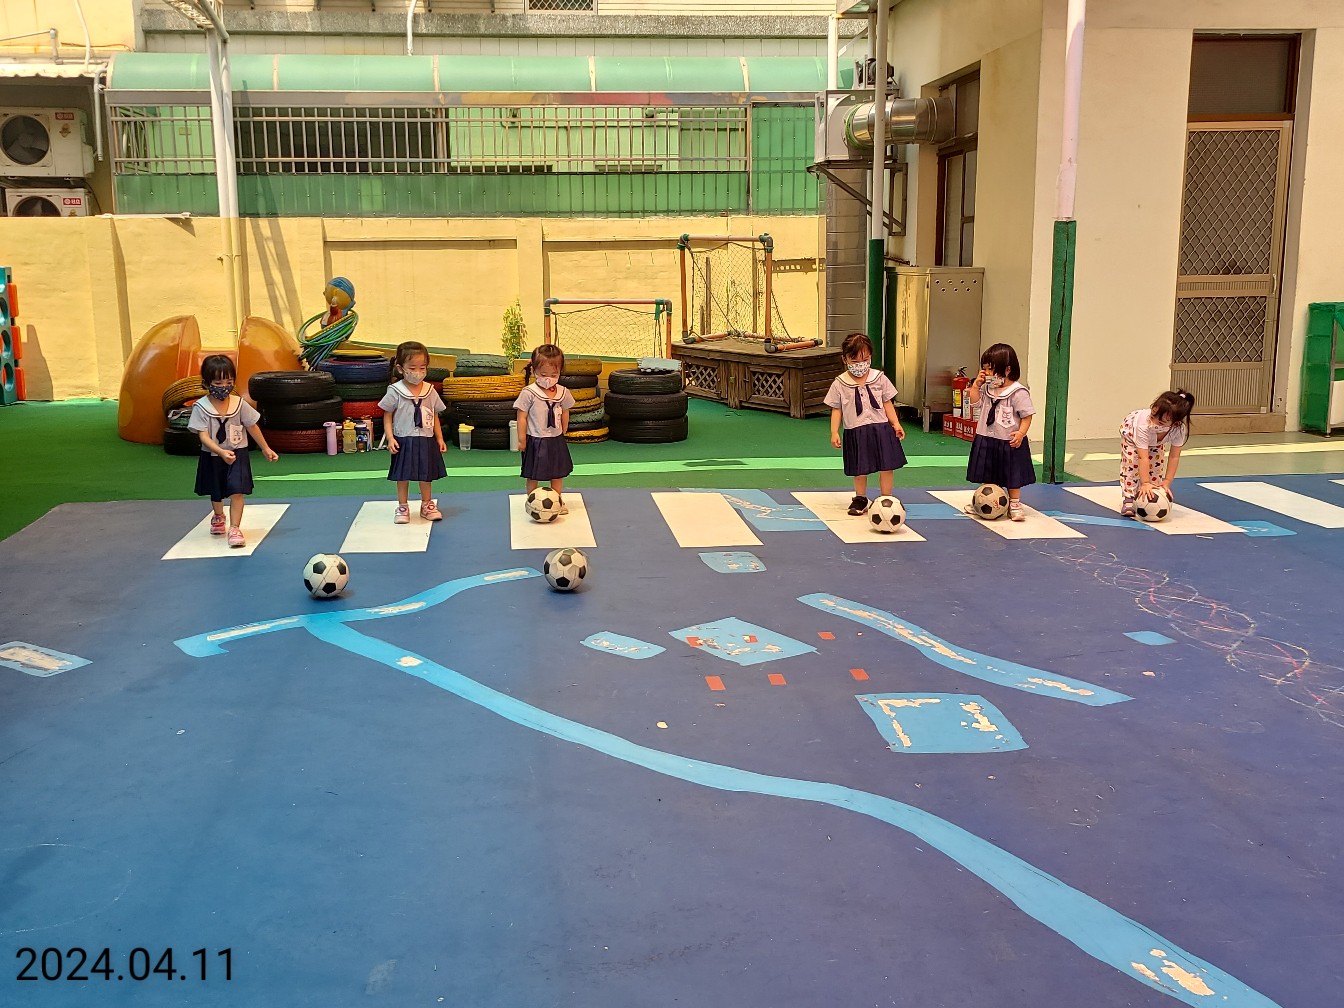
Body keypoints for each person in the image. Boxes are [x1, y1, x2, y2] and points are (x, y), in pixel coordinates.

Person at [188, 354, 278, 548]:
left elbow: (252, 426)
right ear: (207, 383)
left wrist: (265, 448)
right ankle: (218, 515)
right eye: (218, 383)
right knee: (216, 490)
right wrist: (220, 452)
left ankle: (235, 527)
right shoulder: (201, 407)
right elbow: (203, 436)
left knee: (237, 490)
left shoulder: (239, 404)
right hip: (213, 455)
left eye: (229, 382)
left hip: (238, 454)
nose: (224, 387)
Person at [825, 332, 907, 515]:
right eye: (854, 361)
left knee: (886, 465)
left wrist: (895, 423)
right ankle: (860, 498)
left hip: (881, 427)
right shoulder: (839, 383)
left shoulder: (879, 377)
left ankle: (886, 497)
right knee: (859, 467)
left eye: (865, 359)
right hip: (856, 431)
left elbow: (887, 402)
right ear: (845, 359)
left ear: (870, 357)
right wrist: (834, 432)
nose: (860, 365)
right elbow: (836, 409)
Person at [964, 342, 1035, 522]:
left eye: (990, 369)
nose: (986, 373)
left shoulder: (1018, 392)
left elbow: (1027, 416)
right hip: (987, 437)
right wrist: (976, 386)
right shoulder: (987, 389)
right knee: (988, 470)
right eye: (985, 369)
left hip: (1008, 440)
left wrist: (1021, 433)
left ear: (1007, 370)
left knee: (1012, 473)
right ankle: (986, 501)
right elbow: (975, 404)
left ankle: (1014, 503)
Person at [379, 341, 447, 524]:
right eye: (412, 368)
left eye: (422, 367)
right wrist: (390, 438)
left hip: (426, 439)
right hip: (403, 439)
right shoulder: (395, 391)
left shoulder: (430, 390)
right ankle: (403, 506)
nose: (418, 372)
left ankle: (427, 504)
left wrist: (439, 438)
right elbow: (387, 415)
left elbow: (434, 414)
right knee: (402, 475)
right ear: (401, 369)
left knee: (426, 474)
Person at [514, 343, 575, 515]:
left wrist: (564, 428)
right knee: (533, 473)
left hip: (555, 438)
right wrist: (522, 439)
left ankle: (557, 500)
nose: (548, 378)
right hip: (535, 439)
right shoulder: (529, 392)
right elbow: (522, 416)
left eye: (554, 375)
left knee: (557, 472)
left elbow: (565, 410)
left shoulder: (563, 392)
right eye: (543, 374)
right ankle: (532, 500)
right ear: (534, 370)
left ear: (560, 372)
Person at [1119, 389, 1195, 518]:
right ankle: (1129, 498)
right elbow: (1143, 457)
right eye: (1152, 416)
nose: (1153, 422)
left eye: (1160, 422)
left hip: (1157, 441)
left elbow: (1174, 457)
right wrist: (1145, 483)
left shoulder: (1178, 430)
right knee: (1131, 463)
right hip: (1131, 434)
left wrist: (1167, 481)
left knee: (1156, 465)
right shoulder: (1143, 424)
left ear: (1175, 423)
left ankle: (1152, 492)